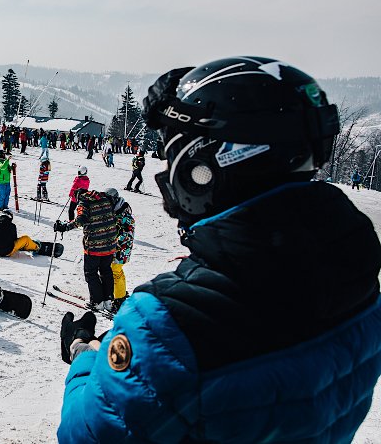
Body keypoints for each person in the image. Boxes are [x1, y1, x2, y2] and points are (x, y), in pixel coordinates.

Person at [57, 57, 381, 443]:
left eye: (173, 156)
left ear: (202, 168)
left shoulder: (170, 319)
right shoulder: (354, 266)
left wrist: (86, 355)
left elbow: (86, 434)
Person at [54, 187, 123, 312]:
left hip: (95, 245)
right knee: (106, 271)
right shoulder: (103, 198)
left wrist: (65, 227)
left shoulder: (84, 202)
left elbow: (81, 220)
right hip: (110, 243)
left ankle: (97, 302)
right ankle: (108, 300)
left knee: (91, 273)